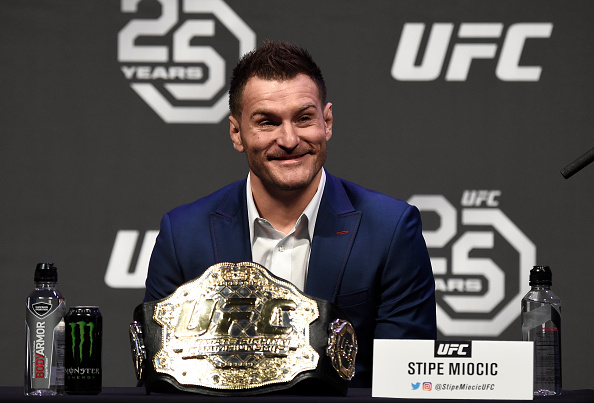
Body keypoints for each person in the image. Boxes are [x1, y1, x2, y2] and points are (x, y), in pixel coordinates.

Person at [144, 41, 436, 387]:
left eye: (304, 118)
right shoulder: (183, 235)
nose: (289, 139)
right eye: (267, 122)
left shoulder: (390, 230)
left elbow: (405, 383)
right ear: (237, 133)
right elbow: (163, 380)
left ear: (326, 121)